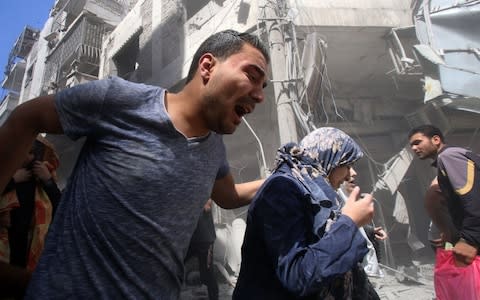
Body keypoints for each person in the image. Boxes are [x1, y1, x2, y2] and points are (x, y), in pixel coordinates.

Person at [0, 29, 270, 299]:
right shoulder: (120, 100)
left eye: (263, 87)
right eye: (252, 76)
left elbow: (229, 195)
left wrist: (284, 178)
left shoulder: (215, 149)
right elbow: (27, 117)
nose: (259, 96)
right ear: (207, 66)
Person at [233, 127, 379, 300]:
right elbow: (298, 275)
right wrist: (349, 223)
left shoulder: (314, 193)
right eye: (347, 164)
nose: (352, 174)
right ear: (327, 158)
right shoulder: (281, 191)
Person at [408, 124, 479, 266]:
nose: (414, 148)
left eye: (418, 142)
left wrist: (469, 239)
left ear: (435, 140)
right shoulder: (449, 158)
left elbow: (472, 197)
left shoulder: (449, 156)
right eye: (412, 145)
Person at [0, 136, 61, 298]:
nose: (28, 157)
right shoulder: (5, 172)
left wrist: (47, 180)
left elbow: (60, 209)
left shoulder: (42, 181)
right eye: (25, 152)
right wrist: (13, 179)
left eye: (32, 153)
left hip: (29, 246)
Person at [339, 168, 387, 277]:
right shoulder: (333, 204)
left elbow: (354, 227)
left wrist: (371, 230)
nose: (354, 173)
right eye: (347, 167)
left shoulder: (347, 200)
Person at [185, 199, 218, 300]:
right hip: (189, 238)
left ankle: (213, 298)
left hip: (205, 238)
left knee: (207, 273)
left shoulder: (203, 189)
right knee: (174, 266)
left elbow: (207, 206)